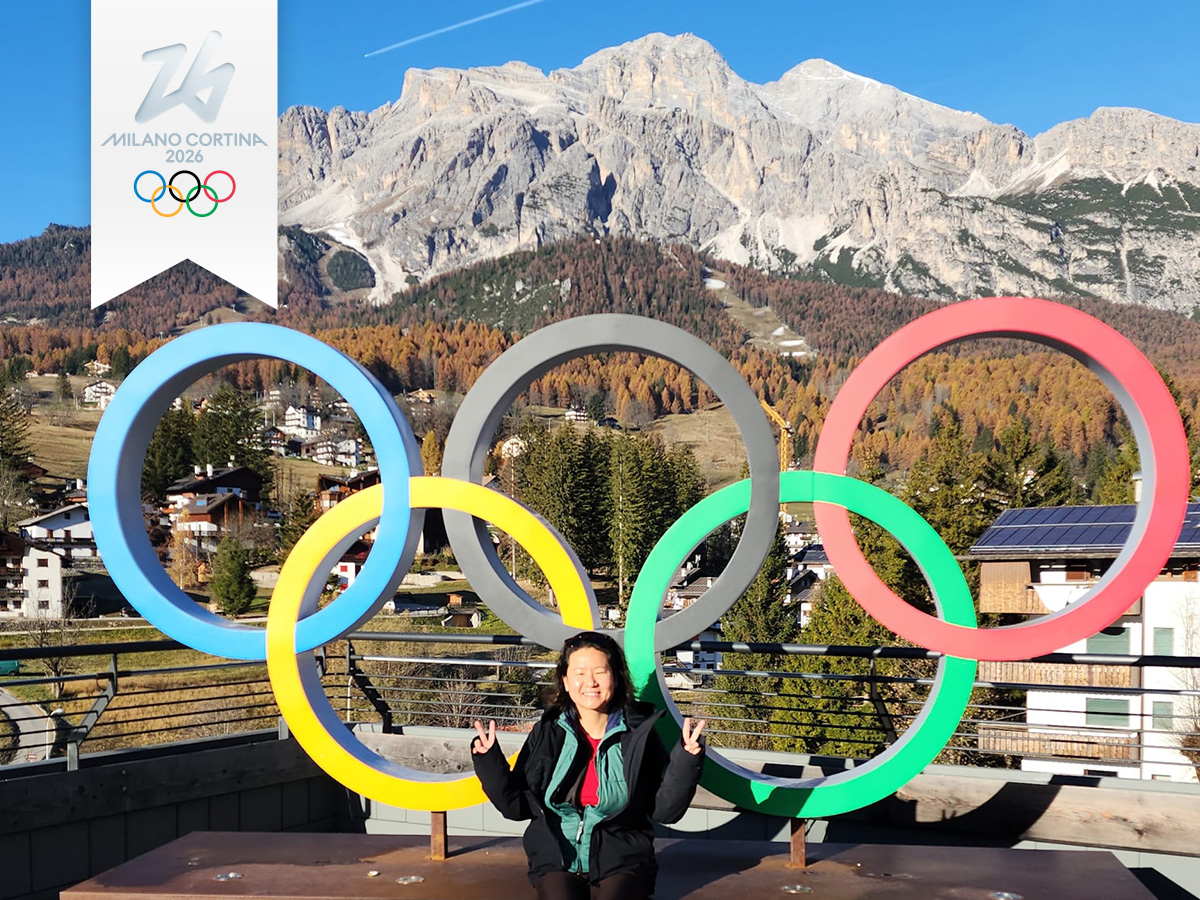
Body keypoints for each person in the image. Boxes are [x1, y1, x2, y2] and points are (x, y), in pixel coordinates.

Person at [471, 631, 706, 900]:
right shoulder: (549, 732)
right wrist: (489, 761)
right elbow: (516, 807)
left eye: (600, 672)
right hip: (556, 858)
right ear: (565, 681)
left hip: (622, 859)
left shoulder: (638, 734)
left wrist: (687, 760)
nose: (590, 682)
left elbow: (665, 811)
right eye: (579, 673)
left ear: (616, 677)